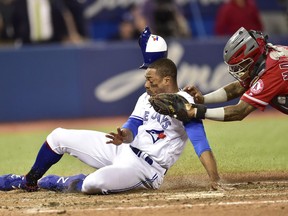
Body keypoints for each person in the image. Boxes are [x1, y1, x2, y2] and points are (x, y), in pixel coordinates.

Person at [0, 29, 223, 194]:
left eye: (150, 79)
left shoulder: (185, 103)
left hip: (145, 168)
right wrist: (123, 135)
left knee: (93, 184)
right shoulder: (145, 98)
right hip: (123, 149)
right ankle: (28, 180)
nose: (146, 84)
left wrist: (215, 179)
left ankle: (56, 182)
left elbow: (201, 144)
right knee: (58, 136)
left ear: (166, 80)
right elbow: (132, 126)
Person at [184, 27, 288, 122]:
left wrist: (196, 112)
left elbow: (239, 111)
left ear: (254, 57)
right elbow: (237, 88)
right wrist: (203, 99)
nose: (237, 69)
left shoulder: (271, 73)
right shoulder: (268, 55)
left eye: (240, 65)